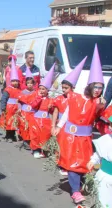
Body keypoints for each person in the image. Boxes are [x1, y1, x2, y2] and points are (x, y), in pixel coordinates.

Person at [54, 45, 106, 204]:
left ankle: (79, 185)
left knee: (84, 162)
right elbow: (68, 113)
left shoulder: (98, 102)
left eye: (101, 87)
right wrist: (57, 126)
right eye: (96, 86)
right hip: (71, 136)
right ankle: (75, 191)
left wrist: (101, 107)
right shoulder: (76, 97)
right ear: (90, 86)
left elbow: (100, 119)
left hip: (85, 138)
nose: (98, 90)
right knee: (72, 163)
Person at [51, 57, 86, 175]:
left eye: (66, 88)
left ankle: (69, 164)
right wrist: (53, 125)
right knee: (61, 145)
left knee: (71, 146)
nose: (64, 90)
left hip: (72, 126)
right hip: (62, 125)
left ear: (73, 88)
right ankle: (61, 163)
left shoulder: (77, 98)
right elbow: (55, 112)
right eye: (63, 88)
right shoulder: (59, 99)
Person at [26, 64, 55, 159]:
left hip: (46, 121)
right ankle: (35, 150)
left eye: (44, 89)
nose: (42, 91)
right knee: (35, 136)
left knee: (45, 136)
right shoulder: (37, 97)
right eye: (40, 89)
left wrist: (51, 107)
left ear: (47, 90)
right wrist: (38, 98)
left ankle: (43, 150)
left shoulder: (50, 99)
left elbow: (52, 111)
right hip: (36, 119)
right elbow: (33, 105)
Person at [87, 113, 112, 208]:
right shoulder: (106, 140)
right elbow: (98, 153)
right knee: (104, 200)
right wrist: (92, 161)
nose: (110, 127)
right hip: (105, 176)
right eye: (109, 124)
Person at [0, 58, 21, 143]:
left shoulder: (19, 90)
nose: (15, 83)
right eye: (13, 81)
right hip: (9, 109)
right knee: (8, 122)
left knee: (15, 123)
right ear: (11, 81)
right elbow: (4, 98)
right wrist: (3, 107)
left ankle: (13, 135)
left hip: (16, 109)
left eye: (16, 81)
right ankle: (8, 136)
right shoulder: (8, 89)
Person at [17, 68, 36, 150]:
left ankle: (32, 141)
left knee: (32, 127)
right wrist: (19, 109)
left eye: (31, 83)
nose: (29, 85)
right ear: (26, 84)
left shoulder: (35, 92)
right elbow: (19, 102)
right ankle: (25, 141)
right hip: (24, 113)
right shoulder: (23, 92)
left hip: (32, 113)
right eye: (28, 83)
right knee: (25, 127)